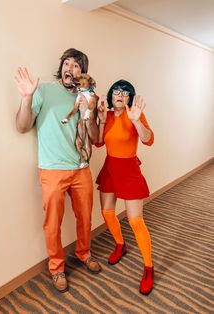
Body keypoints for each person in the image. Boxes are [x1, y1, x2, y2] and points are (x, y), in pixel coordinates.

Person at [15, 48, 101, 293]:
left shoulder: (86, 96)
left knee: (85, 217)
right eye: (67, 63)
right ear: (62, 67)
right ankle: (57, 268)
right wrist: (26, 97)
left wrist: (91, 112)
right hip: (52, 170)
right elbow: (21, 126)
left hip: (81, 168)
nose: (70, 68)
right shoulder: (45, 91)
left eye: (76, 66)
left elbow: (94, 138)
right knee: (52, 223)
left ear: (82, 73)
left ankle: (84, 253)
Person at [96, 79, 154, 295]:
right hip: (110, 167)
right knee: (107, 212)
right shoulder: (107, 115)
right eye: (117, 92)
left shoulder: (135, 114)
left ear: (130, 98)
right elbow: (99, 143)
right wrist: (101, 121)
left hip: (129, 169)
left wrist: (137, 121)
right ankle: (120, 244)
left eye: (125, 93)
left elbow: (149, 140)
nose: (120, 95)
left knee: (135, 220)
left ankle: (149, 267)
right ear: (111, 96)